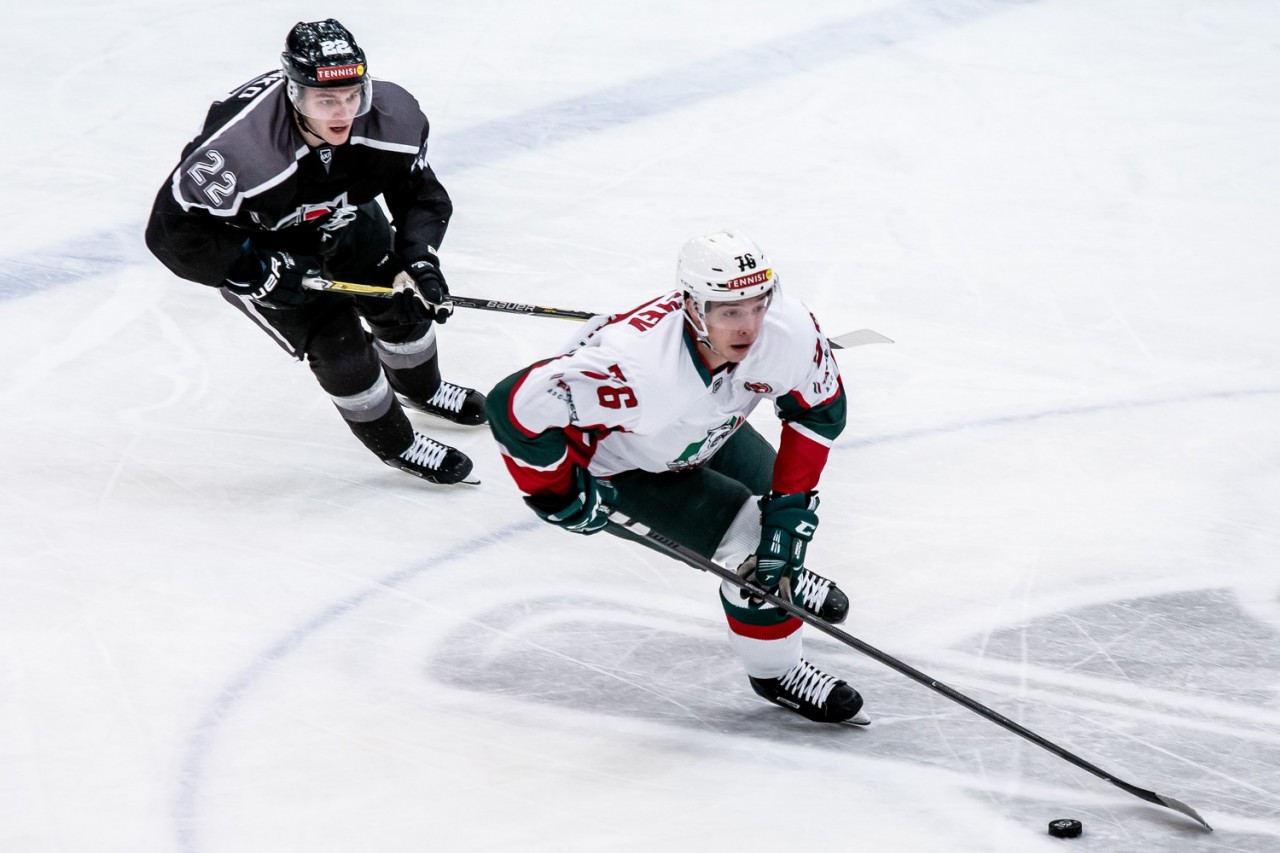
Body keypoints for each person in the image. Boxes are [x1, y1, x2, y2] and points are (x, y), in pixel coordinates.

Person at [486, 230, 869, 724]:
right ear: (692, 306)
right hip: (627, 468)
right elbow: (514, 404)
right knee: (755, 556)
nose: (750, 327)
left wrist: (790, 506)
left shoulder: (786, 327)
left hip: (709, 431)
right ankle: (776, 671)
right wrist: (555, 492)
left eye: (758, 305)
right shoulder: (639, 372)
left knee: (782, 523)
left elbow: (818, 410)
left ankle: (783, 573)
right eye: (730, 312)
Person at [145, 19, 484, 485]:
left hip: (344, 220)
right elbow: (171, 232)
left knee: (404, 305)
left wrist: (419, 260)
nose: (342, 113)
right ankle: (398, 444)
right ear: (294, 94)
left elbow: (420, 195)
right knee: (341, 351)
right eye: (325, 100)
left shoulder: (395, 117)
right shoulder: (239, 151)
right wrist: (253, 271)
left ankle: (423, 390)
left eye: (352, 96)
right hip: (265, 248)